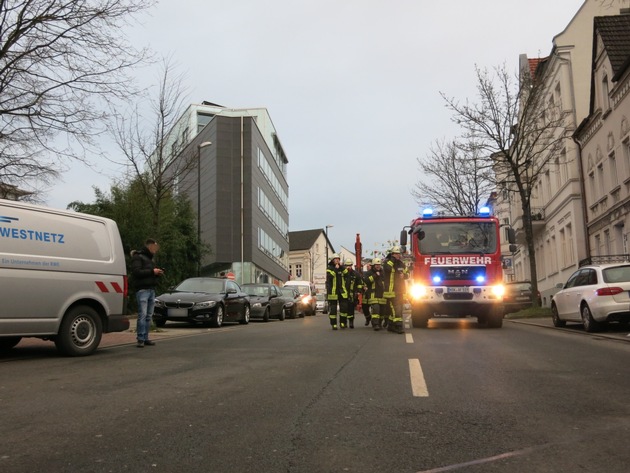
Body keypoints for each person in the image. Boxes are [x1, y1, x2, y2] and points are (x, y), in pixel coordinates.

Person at [130, 238, 164, 347]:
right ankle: (140, 338)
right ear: (150, 246)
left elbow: (148, 273)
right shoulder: (138, 257)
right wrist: (152, 272)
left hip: (151, 289)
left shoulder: (151, 259)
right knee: (143, 314)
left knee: (149, 315)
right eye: (155, 247)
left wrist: (157, 274)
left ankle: (145, 337)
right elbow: (136, 272)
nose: (156, 250)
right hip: (142, 289)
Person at [382, 245, 408, 334]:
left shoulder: (401, 264)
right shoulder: (387, 262)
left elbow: (407, 273)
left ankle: (391, 325)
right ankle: (398, 326)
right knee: (396, 308)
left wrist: (404, 275)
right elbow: (388, 269)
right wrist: (392, 259)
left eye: (398, 254)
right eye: (396, 254)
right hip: (390, 290)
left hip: (400, 290)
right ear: (392, 254)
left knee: (395, 308)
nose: (398, 255)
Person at [364, 257, 386, 331]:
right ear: (373, 265)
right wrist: (375, 275)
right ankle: (375, 324)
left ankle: (379, 323)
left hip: (382, 295)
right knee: (376, 310)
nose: (378, 266)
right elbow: (366, 281)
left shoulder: (383, 273)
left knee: (382, 312)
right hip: (373, 295)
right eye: (376, 265)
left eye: (379, 265)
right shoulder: (369, 273)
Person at [340, 259, 362, 329]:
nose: (348, 267)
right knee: (343, 309)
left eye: (349, 265)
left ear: (351, 265)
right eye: (347, 265)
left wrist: (358, 291)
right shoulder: (342, 274)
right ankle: (343, 323)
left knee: (351, 309)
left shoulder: (355, 274)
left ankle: (351, 322)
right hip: (343, 294)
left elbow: (359, 283)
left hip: (352, 295)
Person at [326, 253, 343, 330]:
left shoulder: (341, 268)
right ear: (332, 260)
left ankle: (343, 323)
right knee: (333, 309)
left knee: (343, 308)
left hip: (341, 291)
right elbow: (330, 276)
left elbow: (346, 274)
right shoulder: (329, 268)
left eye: (338, 259)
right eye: (336, 259)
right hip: (332, 292)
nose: (337, 260)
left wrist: (341, 267)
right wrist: (336, 269)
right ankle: (334, 324)